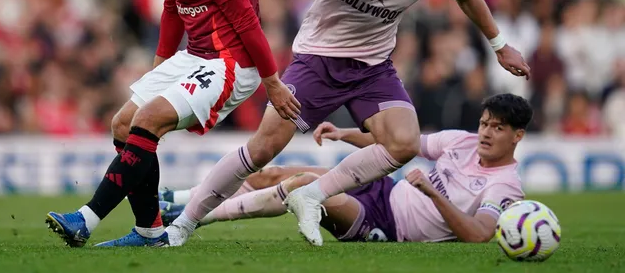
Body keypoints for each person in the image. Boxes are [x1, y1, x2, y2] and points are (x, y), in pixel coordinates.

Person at [166, 0, 530, 248]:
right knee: (263, 150)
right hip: (318, 60)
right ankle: (184, 221)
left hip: (372, 69)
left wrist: (499, 46)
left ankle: (312, 195)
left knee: (403, 142)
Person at [45, 0, 299, 248]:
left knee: (147, 120)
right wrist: (161, 62)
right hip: (196, 55)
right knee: (122, 124)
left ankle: (86, 218)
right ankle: (150, 231)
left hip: (230, 62)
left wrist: (272, 82)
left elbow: (247, 19)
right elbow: (172, 6)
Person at [160, 94, 531, 244]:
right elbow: (399, 145)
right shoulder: (461, 141)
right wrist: (346, 134)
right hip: (384, 190)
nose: (486, 132)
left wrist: (433, 193)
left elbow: (479, 235)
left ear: (517, 136)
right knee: (271, 173)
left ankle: (191, 220)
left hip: (388, 226)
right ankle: (177, 202)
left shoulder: (505, 185)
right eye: (485, 123)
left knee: (301, 185)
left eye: (498, 128)